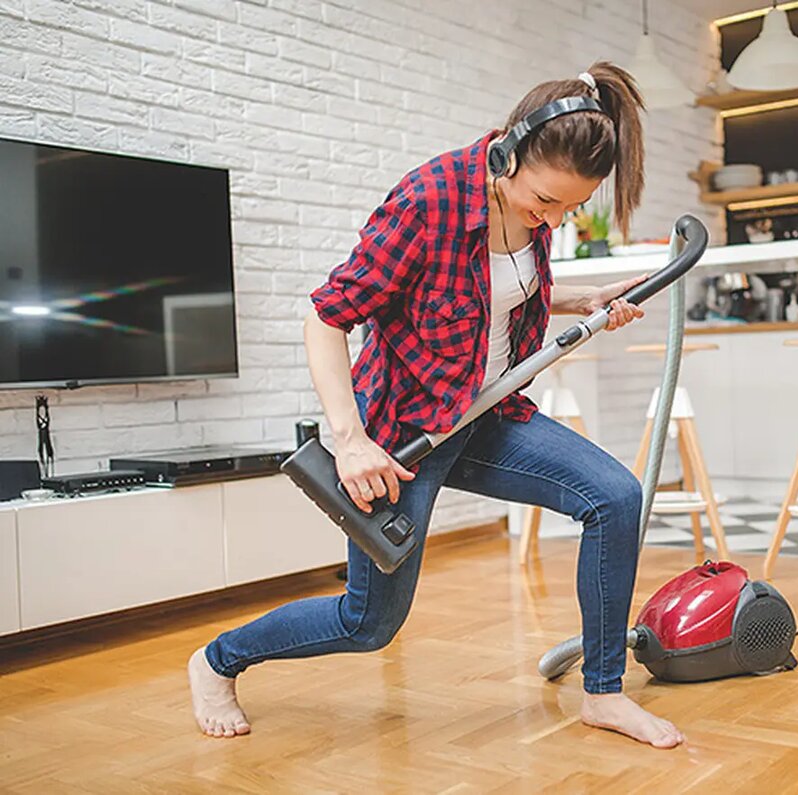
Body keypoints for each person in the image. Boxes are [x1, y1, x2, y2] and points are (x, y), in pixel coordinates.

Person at [188, 61, 686, 749]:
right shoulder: (427, 203)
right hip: (400, 435)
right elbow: (325, 318)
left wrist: (580, 299)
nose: (552, 218)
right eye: (545, 202)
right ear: (508, 154)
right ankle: (218, 659)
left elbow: (498, 288)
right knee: (370, 624)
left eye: (568, 210)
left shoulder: (531, 202)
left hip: (485, 415)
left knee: (614, 496)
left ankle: (603, 692)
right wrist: (349, 439)